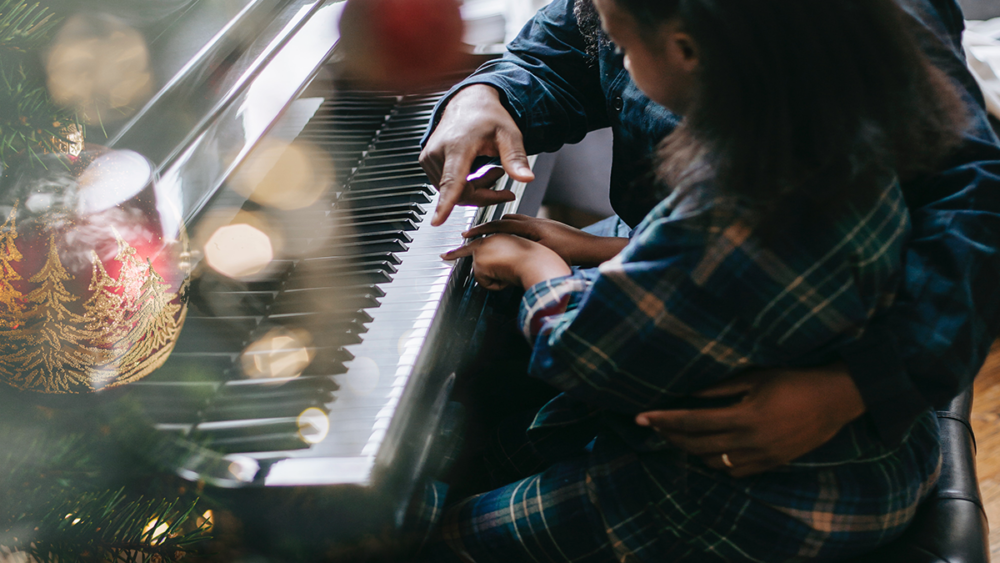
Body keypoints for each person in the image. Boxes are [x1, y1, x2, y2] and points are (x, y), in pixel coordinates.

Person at [409, 0, 970, 560]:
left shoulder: (730, 200)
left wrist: (532, 265)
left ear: (686, 50)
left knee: (442, 543)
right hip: (878, 450)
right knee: (498, 435)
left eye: (622, 48)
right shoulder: (827, 135)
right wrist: (594, 247)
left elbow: (590, 355)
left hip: (756, 495)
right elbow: (730, 275)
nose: (616, 59)